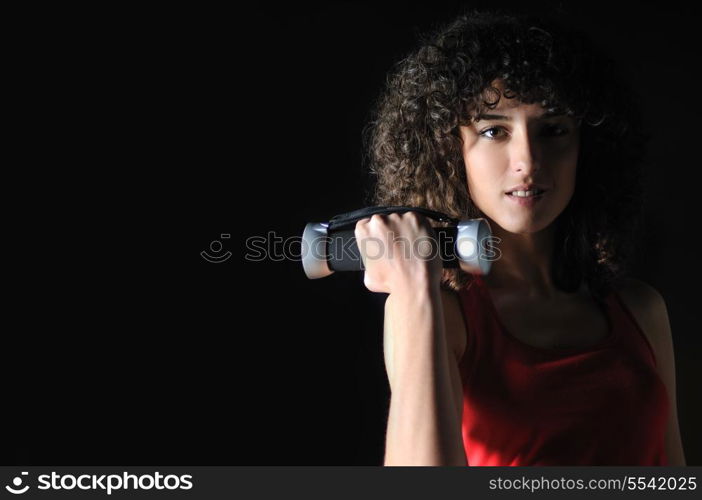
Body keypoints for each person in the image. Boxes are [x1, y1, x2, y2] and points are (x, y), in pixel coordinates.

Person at [353, 8, 686, 466]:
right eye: (494, 130)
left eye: (553, 130)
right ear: (451, 152)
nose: (527, 160)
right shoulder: (439, 315)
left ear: (586, 147)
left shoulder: (641, 311)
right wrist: (414, 291)